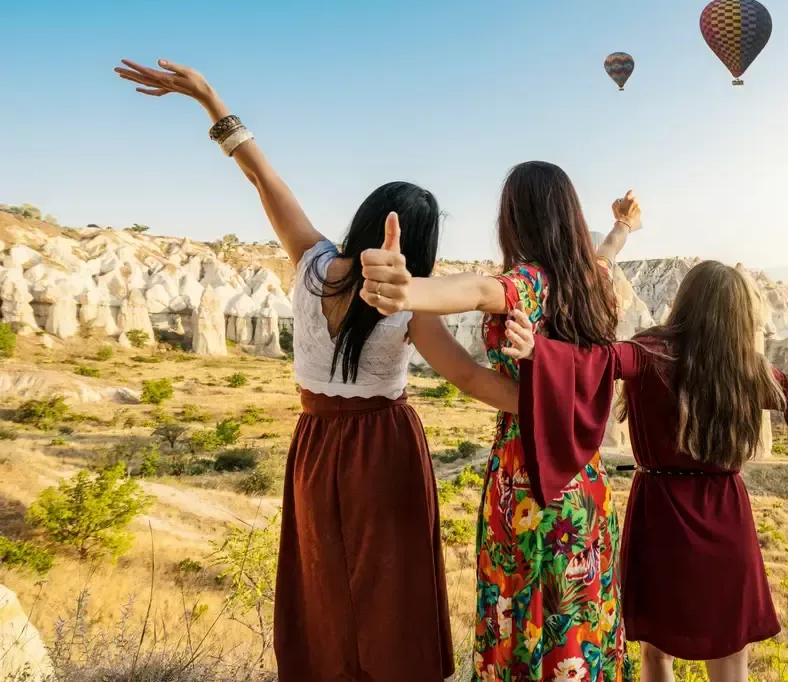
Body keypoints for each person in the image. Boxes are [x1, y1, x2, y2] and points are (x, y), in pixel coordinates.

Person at [114, 59, 522, 682]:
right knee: (391, 588)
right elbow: (469, 379)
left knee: (322, 578)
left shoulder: (310, 261)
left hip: (315, 443)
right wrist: (554, 399)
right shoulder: (408, 301)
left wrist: (207, 97)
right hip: (384, 446)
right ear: (420, 242)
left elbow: (259, 177)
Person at [500, 260, 788, 682]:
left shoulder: (650, 352)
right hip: (724, 515)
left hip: (660, 513)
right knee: (731, 658)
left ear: (685, 301)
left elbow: (598, 362)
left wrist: (538, 351)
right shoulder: (746, 369)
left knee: (655, 652)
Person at [357, 162, 640, 682]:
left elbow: (477, 291)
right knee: (580, 611)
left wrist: (410, 293)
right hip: (584, 479)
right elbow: (604, 255)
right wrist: (623, 227)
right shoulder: (596, 285)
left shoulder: (526, 283)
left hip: (526, 478)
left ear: (514, 218)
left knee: (525, 614)